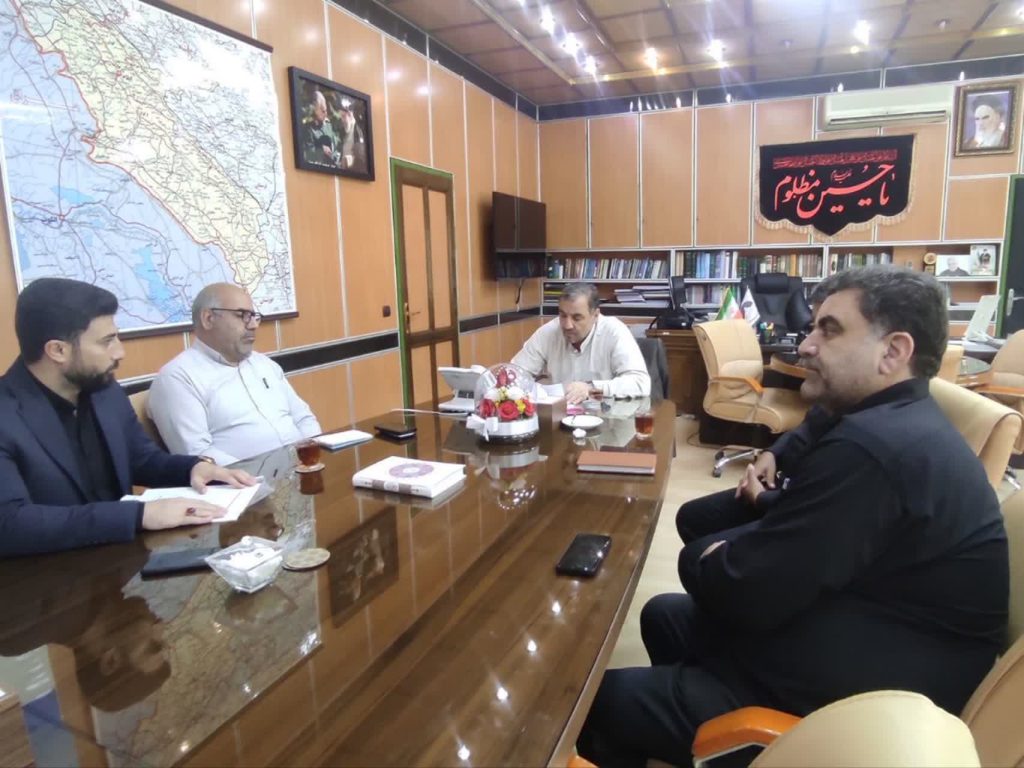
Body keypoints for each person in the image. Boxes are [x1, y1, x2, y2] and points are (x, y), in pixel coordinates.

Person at [577, 266, 1008, 767]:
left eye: (830, 330)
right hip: (875, 632)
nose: (806, 345)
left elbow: (748, 593)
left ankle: (716, 726)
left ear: (893, 352)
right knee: (664, 615)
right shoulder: (894, 417)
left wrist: (710, 557)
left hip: (881, 702)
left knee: (599, 701)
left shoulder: (871, 449)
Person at [0, 279, 255, 558]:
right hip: (46, 574)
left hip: (122, 561)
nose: (119, 352)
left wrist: (193, 468)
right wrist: (138, 515)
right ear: (58, 350)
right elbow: (10, 524)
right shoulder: (7, 413)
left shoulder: (103, 390)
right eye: (107, 342)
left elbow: (141, 459)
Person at [148, 282, 321, 465]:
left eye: (253, 316)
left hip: (301, 470)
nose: (253, 325)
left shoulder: (263, 364)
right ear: (208, 319)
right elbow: (199, 455)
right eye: (242, 316)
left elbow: (304, 418)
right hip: (247, 480)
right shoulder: (178, 378)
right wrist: (257, 477)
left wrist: (312, 459)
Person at [511, 283, 650, 404]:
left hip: (607, 417)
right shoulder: (549, 332)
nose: (567, 325)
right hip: (560, 417)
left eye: (577, 318)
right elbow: (515, 374)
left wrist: (591, 388)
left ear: (595, 315)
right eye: (563, 315)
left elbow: (640, 383)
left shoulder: (614, 332)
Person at [302, 90, 338, 166]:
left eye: (325, 110)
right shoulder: (308, 129)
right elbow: (308, 154)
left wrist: (334, 157)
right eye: (322, 111)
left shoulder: (328, 126)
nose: (326, 114)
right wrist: (322, 149)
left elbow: (335, 149)